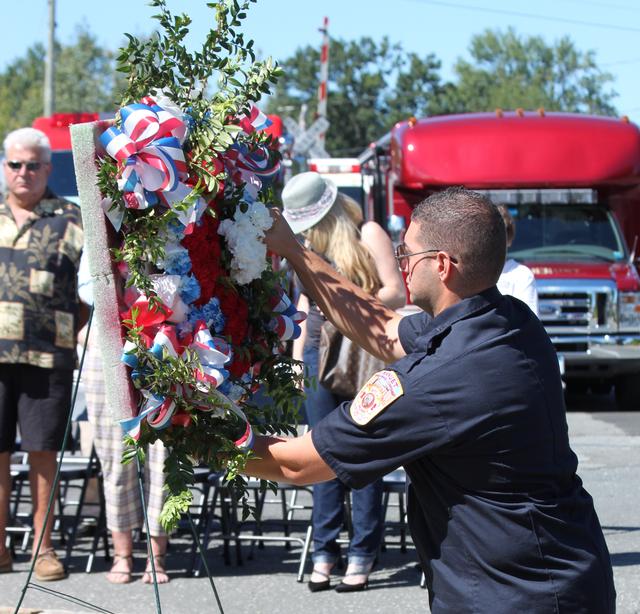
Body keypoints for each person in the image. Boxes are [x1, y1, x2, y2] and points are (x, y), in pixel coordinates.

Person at [243, 186, 615, 612]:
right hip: (564, 575)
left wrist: (188, 425)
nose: (401, 267)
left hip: (515, 596)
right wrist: (294, 249)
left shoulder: (441, 378)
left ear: (441, 264)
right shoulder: (508, 320)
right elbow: (381, 328)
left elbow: (295, 463)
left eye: (407, 256)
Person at [282, 172, 405, 592]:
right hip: (318, 352)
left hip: (363, 354)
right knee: (321, 453)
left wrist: (346, 304)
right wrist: (297, 363)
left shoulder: (366, 232)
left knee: (362, 455)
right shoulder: (307, 244)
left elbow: (396, 292)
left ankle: (362, 551)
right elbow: (303, 304)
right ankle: (324, 549)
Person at [0, 128, 84, 581]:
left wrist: (68, 330)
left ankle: (44, 549)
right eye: (15, 164)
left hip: (48, 357)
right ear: (5, 166)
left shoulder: (73, 219)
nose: (23, 172)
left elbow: (91, 291)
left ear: (48, 169)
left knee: (43, 454)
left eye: (33, 164)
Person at [77, 251, 170, 585]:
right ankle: (123, 554)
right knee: (117, 457)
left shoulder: (168, 214)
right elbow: (89, 291)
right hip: (108, 342)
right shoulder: (99, 229)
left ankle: (157, 557)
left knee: (164, 455)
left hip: (164, 337)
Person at [496, 204, 539, 315]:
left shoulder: (522, 276)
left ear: (509, 238)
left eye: (501, 232)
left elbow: (529, 324)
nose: (494, 239)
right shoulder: (472, 273)